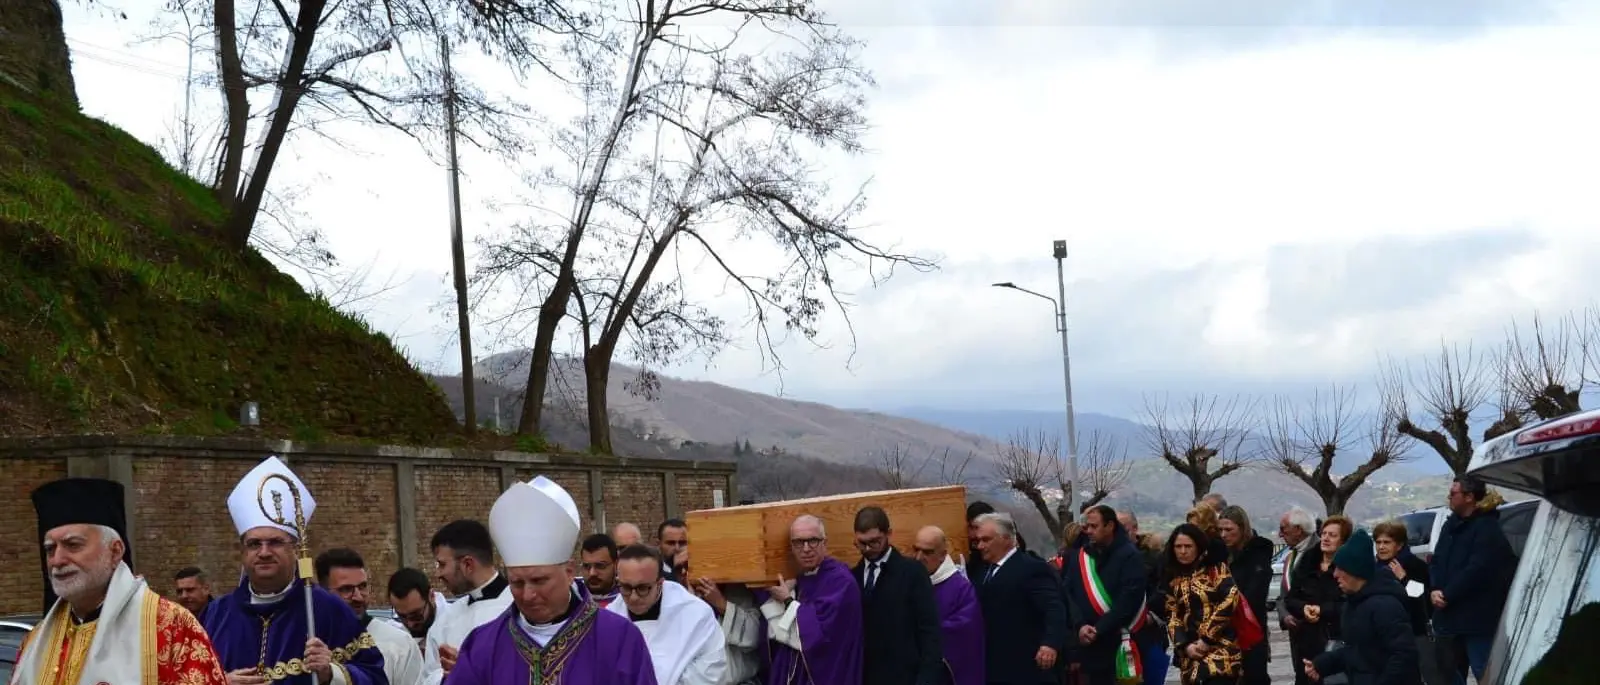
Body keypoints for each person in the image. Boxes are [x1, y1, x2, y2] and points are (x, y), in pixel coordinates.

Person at [13, 477, 229, 685]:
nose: (57, 560)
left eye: (73, 545)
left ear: (115, 551)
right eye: (50, 549)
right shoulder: (36, 641)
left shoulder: (172, 627)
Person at [444, 476, 657, 684]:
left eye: (539, 581)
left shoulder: (619, 639)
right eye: (517, 583)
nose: (528, 595)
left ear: (569, 573)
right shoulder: (483, 645)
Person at [203, 456, 386, 685]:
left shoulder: (328, 609)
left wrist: (331, 673)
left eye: (276, 542)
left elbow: (376, 678)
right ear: (242, 552)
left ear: (296, 550)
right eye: (254, 544)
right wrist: (220, 682)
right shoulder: (216, 615)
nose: (264, 552)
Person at [756, 514, 865, 685]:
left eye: (813, 540)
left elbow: (815, 638)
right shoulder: (802, 578)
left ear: (825, 543)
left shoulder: (840, 581)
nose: (806, 549)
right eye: (798, 542)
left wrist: (786, 600)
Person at [1303, 530, 1421, 685]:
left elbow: (1404, 656)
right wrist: (1321, 664)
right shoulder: (1353, 603)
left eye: (1341, 569)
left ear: (1356, 570)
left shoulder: (1385, 605)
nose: (1335, 574)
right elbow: (1357, 653)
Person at [1428, 477, 1515, 685]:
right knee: (1448, 673)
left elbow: (1478, 569)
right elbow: (1437, 559)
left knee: (1484, 671)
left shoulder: (1487, 527)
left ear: (1469, 497)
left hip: (1477, 618)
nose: (1449, 497)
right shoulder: (1450, 525)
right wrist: (1435, 588)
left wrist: (1449, 594)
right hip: (1448, 618)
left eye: (1453, 493)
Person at [604, 544, 727, 684]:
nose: (633, 597)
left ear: (660, 583)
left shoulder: (695, 614)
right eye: (626, 587)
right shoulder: (609, 619)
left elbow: (711, 670)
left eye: (642, 588)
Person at [971, 511, 1068, 684]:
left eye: (986, 540)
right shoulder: (983, 572)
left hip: (1025, 665)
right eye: (978, 541)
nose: (980, 546)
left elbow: (1054, 608)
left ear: (1006, 539)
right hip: (994, 663)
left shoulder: (1031, 569)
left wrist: (1050, 643)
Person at [1060, 505, 1152, 685]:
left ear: (1110, 526)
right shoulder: (1079, 556)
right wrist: (1080, 625)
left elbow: (1128, 599)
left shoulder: (1130, 555)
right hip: (1087, 644)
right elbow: (1067, 592)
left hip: (1119, 643)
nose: (1089, 532)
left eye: (1094, 527)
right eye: (1087, 527)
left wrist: (1099, 629)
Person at [851, 506, 943, 685]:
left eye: (875, 542)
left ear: (889, 534)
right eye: (862, 543)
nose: (868, 549)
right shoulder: (853, 577)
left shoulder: (912, 573)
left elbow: (929, 632)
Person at [317, 548, 425, 685]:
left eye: (362, 587)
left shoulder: (399, 644)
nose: (358, 597)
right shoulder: (310, 643)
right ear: (323, 593)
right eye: (346, 589)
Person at [422, 519, 511, 685]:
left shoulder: (520, 609)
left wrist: (470, 673)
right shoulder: (446, 619)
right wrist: (446, 677)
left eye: (442, 564)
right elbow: (428, 676)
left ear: (468, 564)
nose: (438, 574)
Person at [1163, 523, 1244, 685]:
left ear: (1198, 547)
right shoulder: (1172, 576)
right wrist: (1184, 646)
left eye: (1188, 546)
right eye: (1178, 547)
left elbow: (1230, 598)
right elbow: (1171, 614)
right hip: (1190, 655)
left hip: (1221, 651)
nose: (1183, 551)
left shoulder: (1215, 569)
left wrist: (1207, 639)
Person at [909, 525, 983, 685]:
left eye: (927, 552)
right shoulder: (909, 581)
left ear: (943, 555)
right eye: (916, 550)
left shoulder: (960, 588)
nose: (919, 557)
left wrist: (919, 633)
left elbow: (965, 630)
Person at [1285, 516, 1352, 684]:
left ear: (1343, 541)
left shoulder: (1347, 569)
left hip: (1335, 641)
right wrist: (1304, 608)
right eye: (1324, 534)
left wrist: (1322, 610)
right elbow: (1291, 598)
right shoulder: (1307, 562)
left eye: (1332, 535)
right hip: (1307, 641)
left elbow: (1348, 605)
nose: (1326, 538)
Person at [1372, 520, 1436, 684]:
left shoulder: (1415, 565)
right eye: (1378, 542)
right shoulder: (1373, 568)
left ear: (1399, 545)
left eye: (1387, 542)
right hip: (1382, 634)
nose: (1381, 547)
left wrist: (1404, 578)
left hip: (1412, 632)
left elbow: (1421, 598)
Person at [1218, 506, 1273, 685]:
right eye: (1220, 530)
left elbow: (1254, 594)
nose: (1224, 535)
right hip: (1225, 629)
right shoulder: (1222, 555)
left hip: (1251, 626)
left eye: (1229, 530)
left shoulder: (1258, 555)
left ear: (1242, 529)